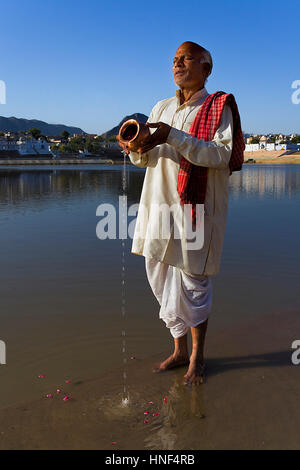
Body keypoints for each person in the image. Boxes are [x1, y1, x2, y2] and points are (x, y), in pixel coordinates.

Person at [117, 41, 244, 385]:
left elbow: (221, 156)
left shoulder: (219, 107)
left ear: (205, 67)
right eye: (174, 59)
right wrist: (134, 148)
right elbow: (146, 159)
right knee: (157, 275)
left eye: (185, 59)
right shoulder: (160, 106)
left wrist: (172, 135)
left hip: (196, 209)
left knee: (194, 282)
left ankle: (198, 358)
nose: (177, 64)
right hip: (157, 206)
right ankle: (179, 350)